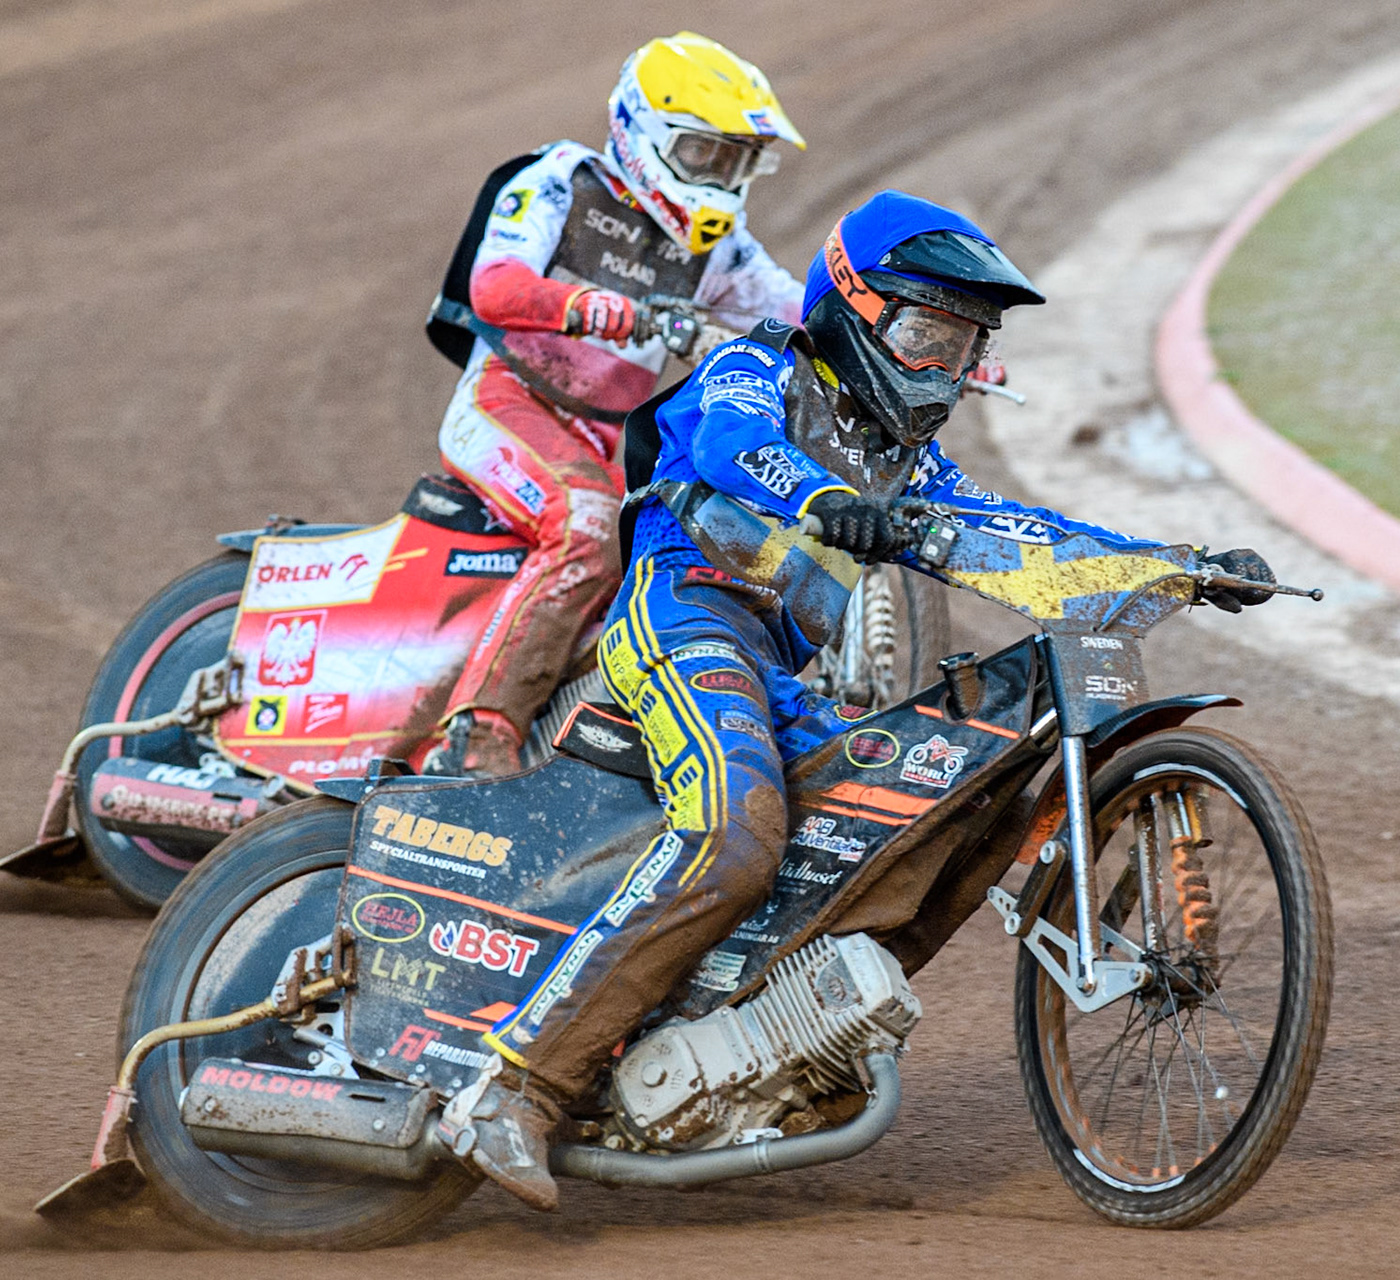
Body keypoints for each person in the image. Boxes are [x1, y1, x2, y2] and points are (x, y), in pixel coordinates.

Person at [441, 190, 1277, 1209]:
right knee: (738, 829)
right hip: (682, 618)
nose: (945, 368)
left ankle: (771, 1042)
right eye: (926, 336)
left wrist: (1181, 565)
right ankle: (515, 1085)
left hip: (777, 672)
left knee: (925, 826)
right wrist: (822, 498)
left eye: (964, 348)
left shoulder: (910, 463)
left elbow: (1024, 535)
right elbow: (731, 445)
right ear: (851, 306)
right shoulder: (760, 367)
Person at [421, 32, 809, 777]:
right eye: (704, 154)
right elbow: (493, 285)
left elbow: (797, 308)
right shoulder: (562, 180)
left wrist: (913, 337)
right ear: (645, 133)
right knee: (590, 523)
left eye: (735, 161)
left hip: (613, 441)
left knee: (683, 548)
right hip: (509, 399)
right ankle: (476, 737)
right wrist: (601, 308)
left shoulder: (719, 247)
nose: (719, 178)